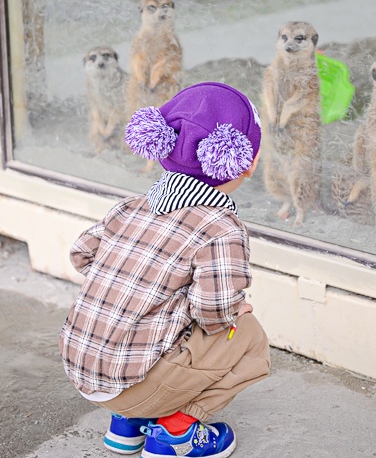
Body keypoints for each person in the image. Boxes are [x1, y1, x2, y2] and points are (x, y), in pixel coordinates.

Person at [61, 82, 271, 458]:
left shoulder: (130, 207)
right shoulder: (220, 227)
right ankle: (176, 432)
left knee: (152, 322)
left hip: (82, 372)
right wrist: (234, 309)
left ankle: (126, 425)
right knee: (249, 336)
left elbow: (81, 254)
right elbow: (213, 312)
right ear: (247, 161)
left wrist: (133, 283)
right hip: (135, 383)